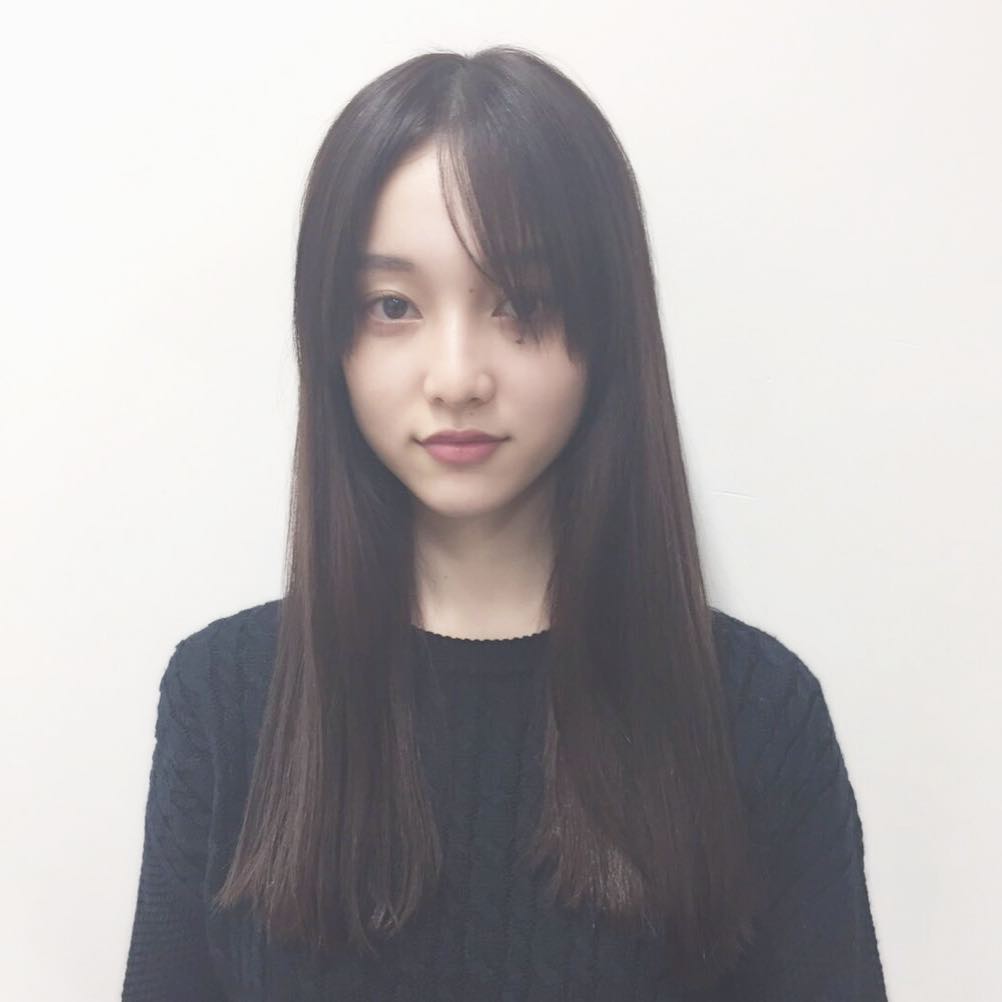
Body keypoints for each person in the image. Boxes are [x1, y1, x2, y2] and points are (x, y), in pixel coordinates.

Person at [121, 45, 888, 1001]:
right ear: (331, 338)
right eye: (393, 306)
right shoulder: (224, 699)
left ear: (607, 328)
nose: (456, 377)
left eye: (521, 302)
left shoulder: (756, 714)